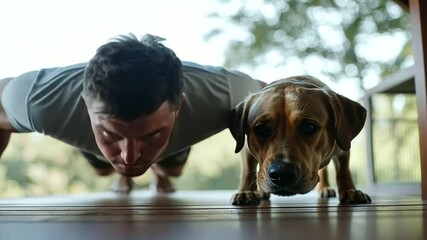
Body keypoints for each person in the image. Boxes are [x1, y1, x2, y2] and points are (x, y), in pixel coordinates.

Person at [0, 33, 262, 194]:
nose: (130, 155)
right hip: (76, 124)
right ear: (85, 105)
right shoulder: (39, 100)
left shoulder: (227, 95)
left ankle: (158, 169)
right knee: (104, 171)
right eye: (111, 134)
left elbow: (281, 97)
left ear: (178, 106)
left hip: (183, 131)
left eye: (151, 135)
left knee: (172, 172)